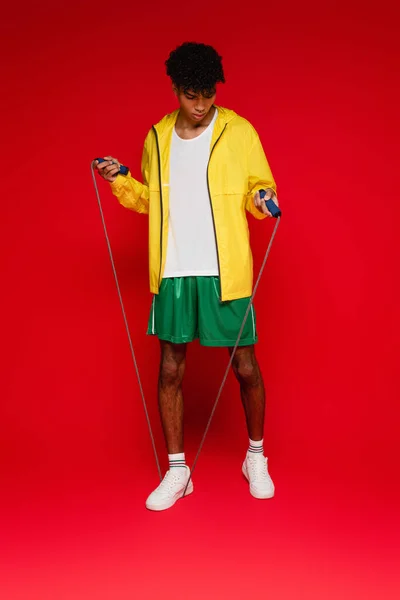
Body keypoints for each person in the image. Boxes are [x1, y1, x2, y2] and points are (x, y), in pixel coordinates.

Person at [95, 42, 279, 511]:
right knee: (171, 369)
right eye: (191, 95)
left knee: (245, 366)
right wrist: (120, 178)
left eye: (208, 95)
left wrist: (262, 200)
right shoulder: (157, 138)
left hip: (224, 269)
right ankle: (178, 471)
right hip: (174, 268)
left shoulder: (238, 130)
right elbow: (148, 199)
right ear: (175, 89)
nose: (201, 105)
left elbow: (260, 184)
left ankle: (255, 456)